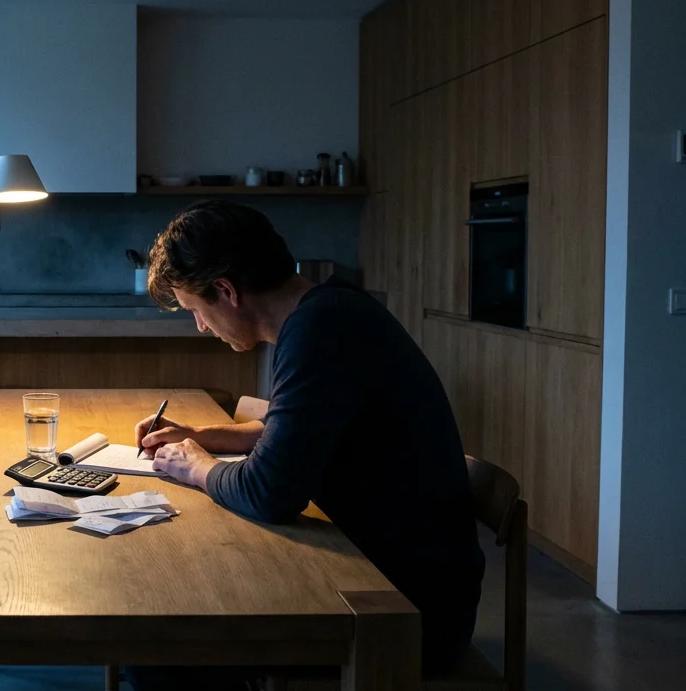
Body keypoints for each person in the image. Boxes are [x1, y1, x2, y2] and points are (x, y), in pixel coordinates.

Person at [126, 200, 484, 690]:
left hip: (401, 614)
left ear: (226, 291)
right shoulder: (328, 310)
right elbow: (295, 428)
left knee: (156, 645)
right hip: (384, 576)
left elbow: (270, 492)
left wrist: (197, 466)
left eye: (196, 311)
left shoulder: (321, 329)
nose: (201, 327)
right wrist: (202, 436)